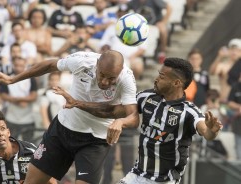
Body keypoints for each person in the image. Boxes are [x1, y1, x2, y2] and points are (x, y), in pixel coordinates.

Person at [53, 57, 223, 183]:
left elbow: (205, 132)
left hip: (164, 180)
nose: (157, 78)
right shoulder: (147, 97)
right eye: (158, 74)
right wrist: (77, 103)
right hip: (137, 175)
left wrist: (211, 131)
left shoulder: (189, 111)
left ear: (177, 83)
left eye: (162, 76)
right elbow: (113, 110)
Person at [0, 50, 139, 184]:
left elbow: (133, 116)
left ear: (120, 72)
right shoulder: (82, 61)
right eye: (102, 75)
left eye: (111, 78)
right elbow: (50, 65)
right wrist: (13, 79)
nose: (105, 82)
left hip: (96, 140)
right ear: (97, 65)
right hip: (62, 130)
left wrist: (121, 122)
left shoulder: (126, 79)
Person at [0, 57, 38, 142]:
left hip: (28, 117)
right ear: (13, 65)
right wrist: (19, 101)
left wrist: (17, 99)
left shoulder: (31, 79)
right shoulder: (7, 78)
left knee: (28, 143)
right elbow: (3, 95)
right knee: (10, 142)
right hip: (11, 117)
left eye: (21, 65)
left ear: (25, 66)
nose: (19, 67)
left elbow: (34, 96)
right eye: (17, 65)